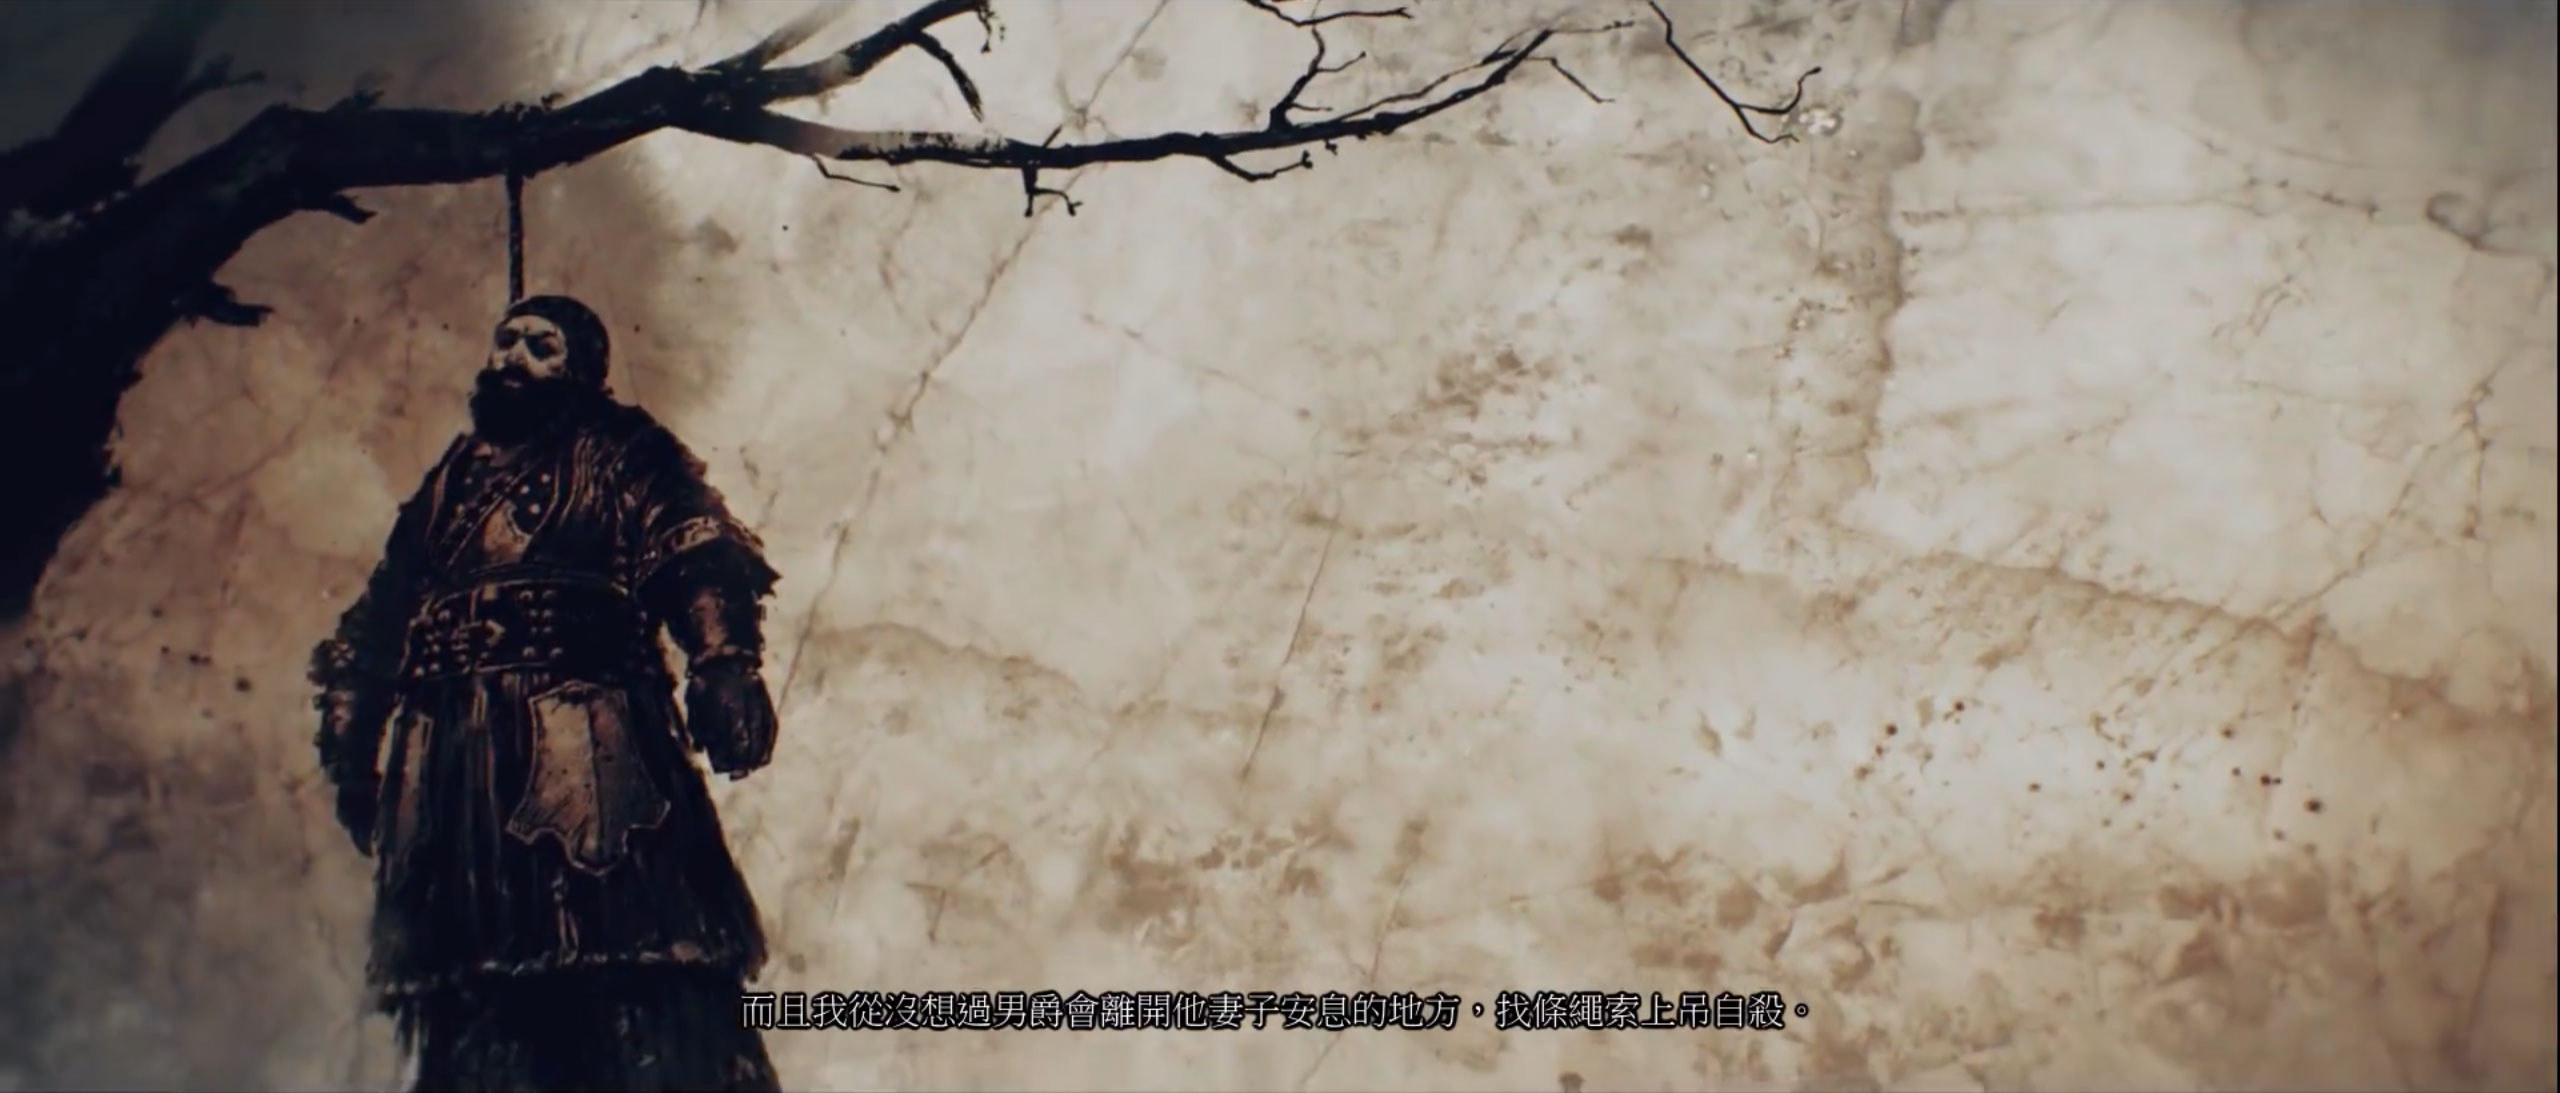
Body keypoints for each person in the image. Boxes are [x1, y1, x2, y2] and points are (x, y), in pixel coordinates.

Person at [306, 294, 786, 1091]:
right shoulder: (449, 483)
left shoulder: (620, 447)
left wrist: (723, 661)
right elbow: (380, 618)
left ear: (582, 367)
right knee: (476, 1003)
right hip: (454, 770)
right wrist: (351, 746)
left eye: (541, 345)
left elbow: (693, 546)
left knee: (636, 975)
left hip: (584, 740)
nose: (513, 359)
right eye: (506, 341)